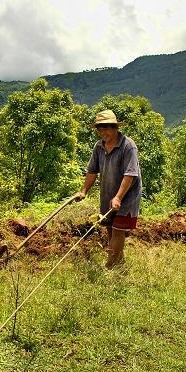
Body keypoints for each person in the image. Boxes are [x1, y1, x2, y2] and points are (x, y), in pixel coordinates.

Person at [74, 110, 141, 269]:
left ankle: (110, 266)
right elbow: (92, 171)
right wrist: (83, 191)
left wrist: (118, 197)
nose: (103, 132)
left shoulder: (128, 146)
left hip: (127, 195)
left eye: (106, 128)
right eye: (100, 129)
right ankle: (119, 262)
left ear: (115, 128)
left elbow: (130, 175)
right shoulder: (99, 147)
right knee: (110, 228)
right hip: (107, 193)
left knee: (118, 229)